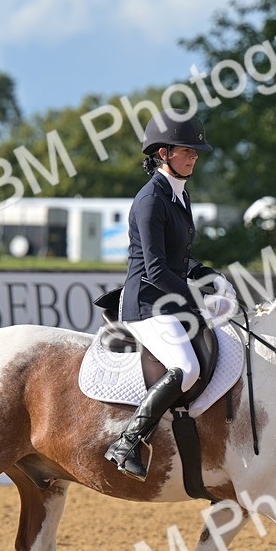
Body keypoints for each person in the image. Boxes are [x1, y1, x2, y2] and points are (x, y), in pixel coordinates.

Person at [103, 111, 236, 481]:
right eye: (187, 151)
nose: (195, 156)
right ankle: (127, 441)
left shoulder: (179, 193)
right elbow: (156, 268)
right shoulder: (150, 200)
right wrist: (198, 301)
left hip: (169, 299)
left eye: (196, 151)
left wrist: (204, 272)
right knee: (188, 369)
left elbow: (177, 257)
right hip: (145, 304)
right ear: (163, 153)